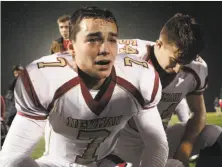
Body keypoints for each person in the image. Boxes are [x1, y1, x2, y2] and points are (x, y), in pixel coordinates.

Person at [0, 6, 168, 167]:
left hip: (107, 162)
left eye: (112, 39)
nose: (105, 49)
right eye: (93, 39)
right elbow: (11, 158)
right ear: (72, 47)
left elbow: (156, 143)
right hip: (57, 163)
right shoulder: (43, 78)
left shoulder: (140, 77)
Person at [114, 13, 222, 167]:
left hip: (159, 139)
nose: (178, 69)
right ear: (158, 44)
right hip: (118, 142)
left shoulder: (196, 68)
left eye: (185, 63)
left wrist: (184, 150)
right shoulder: (125, 56)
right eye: (174, 61)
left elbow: (198, 113)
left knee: (214, 135)